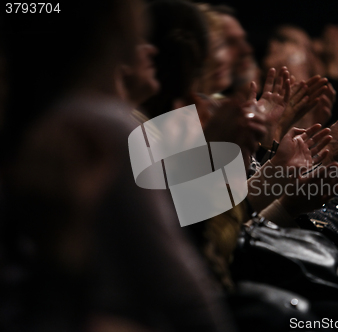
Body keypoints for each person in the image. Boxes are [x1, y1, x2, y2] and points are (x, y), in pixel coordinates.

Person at [1, 1, 237, 331]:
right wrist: (217, 156)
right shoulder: (103, 127)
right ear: (119, 18)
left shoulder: (49, 113)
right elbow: (189, 293)